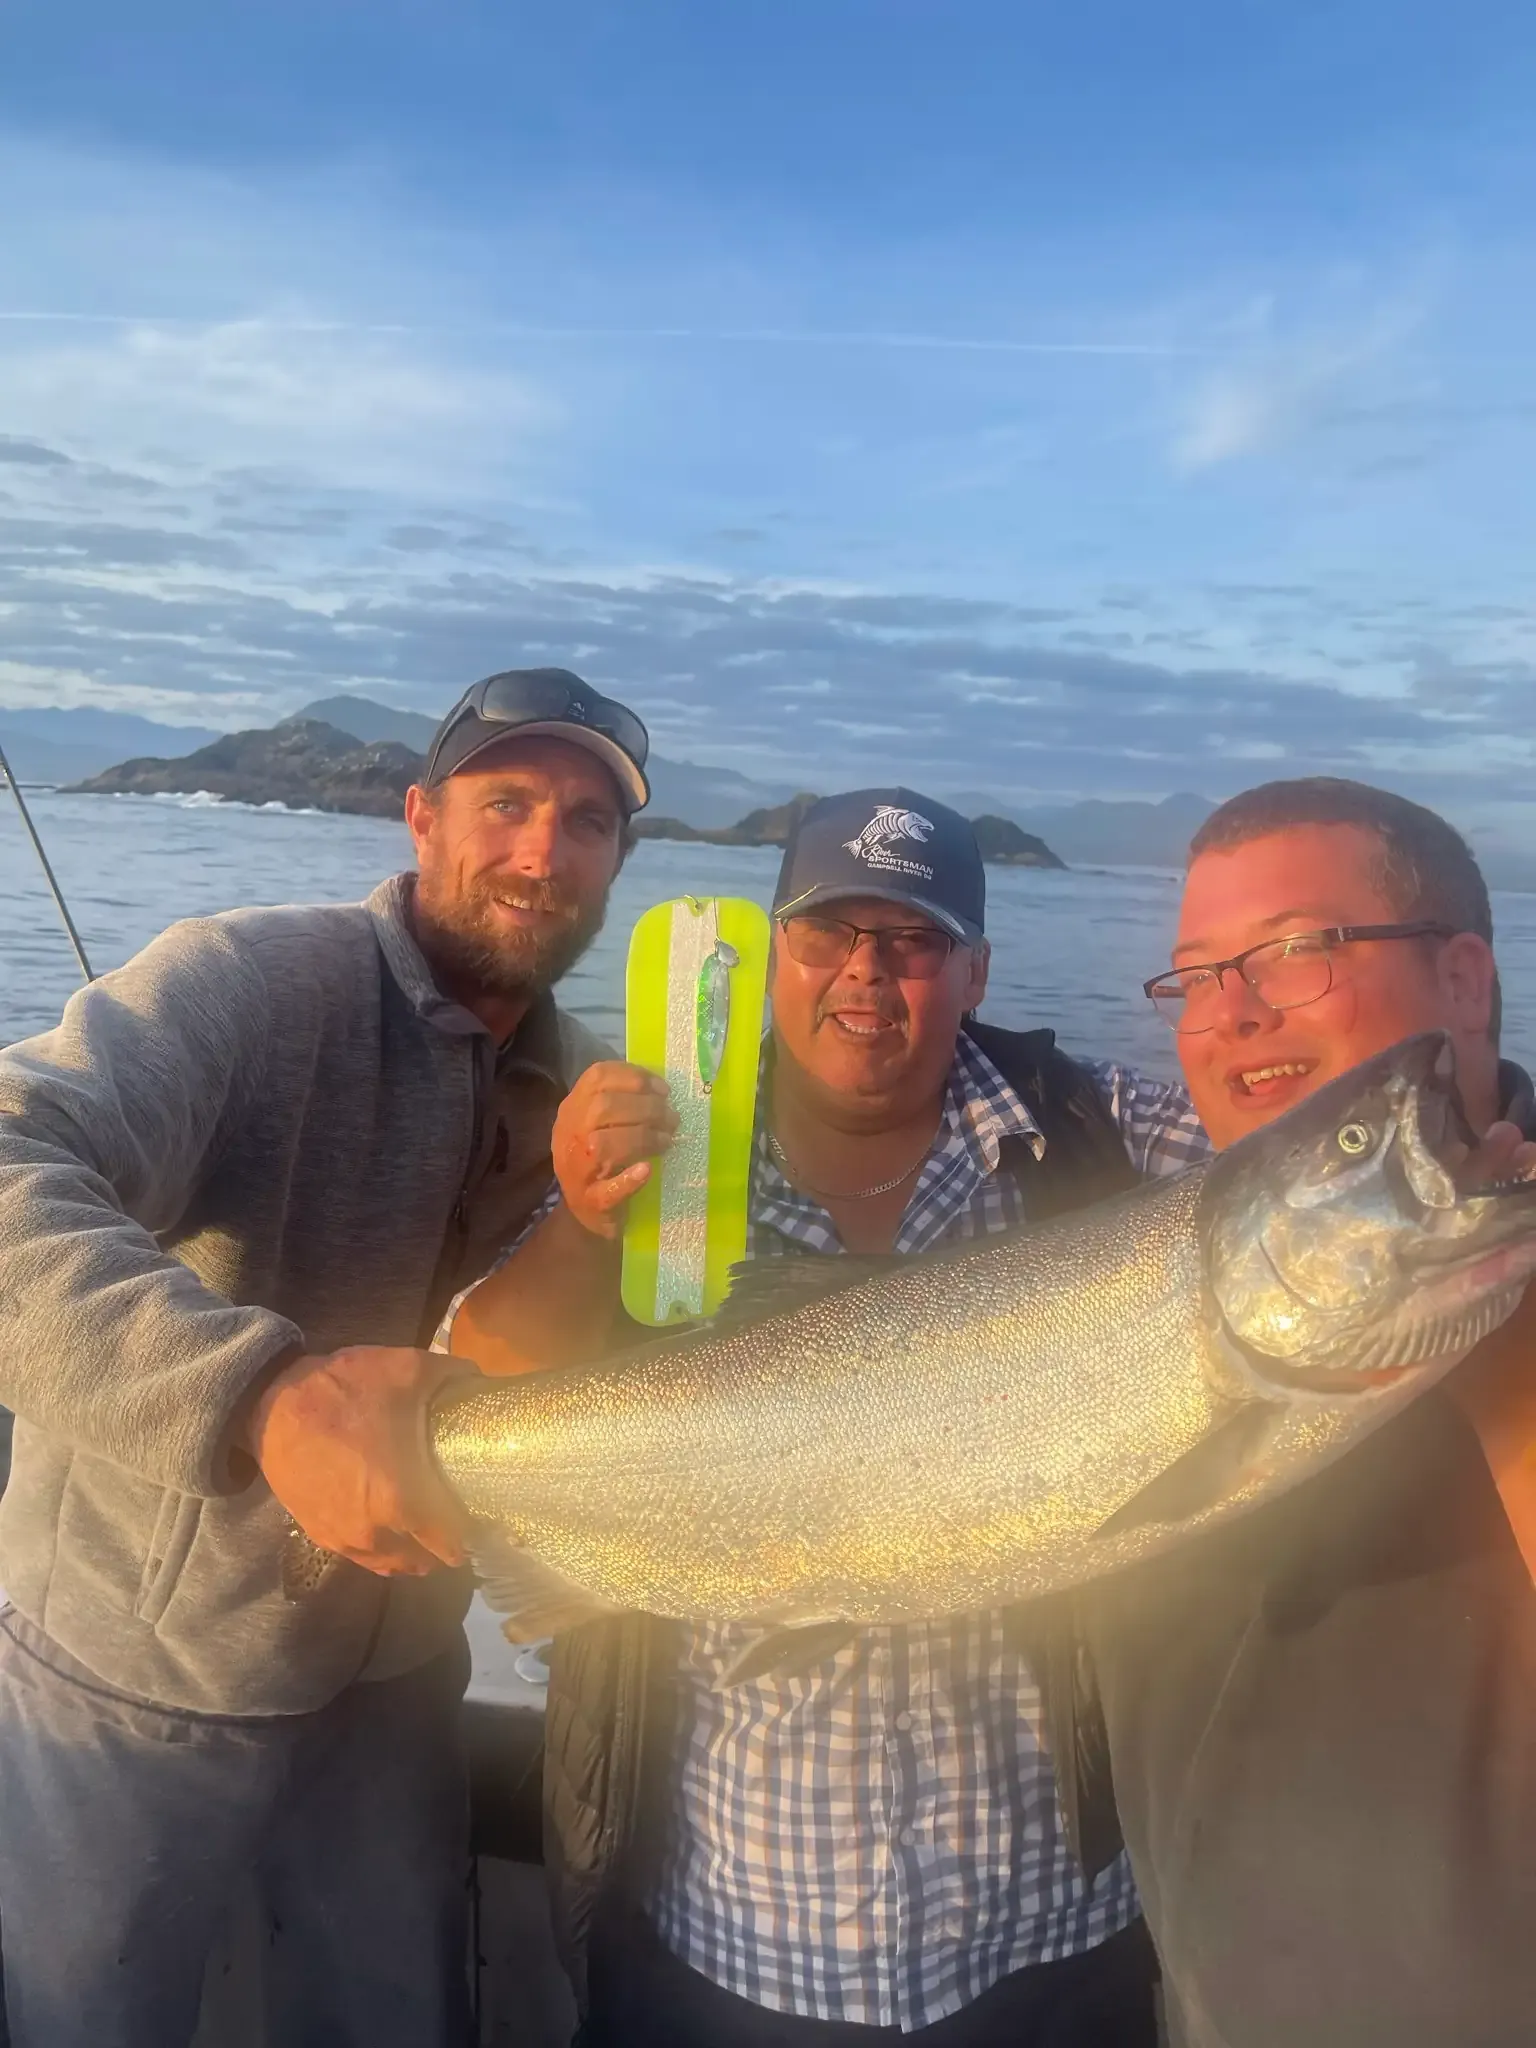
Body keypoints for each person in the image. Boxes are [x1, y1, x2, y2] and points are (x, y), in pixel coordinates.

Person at [450, 787, 1207, 2047]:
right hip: (723, 1929)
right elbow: (479, 1372)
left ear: (974, 969)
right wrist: (585, 1214)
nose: (868, 971)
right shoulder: (665, 1142)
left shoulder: (1097, 1131)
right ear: (772, 953)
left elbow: (1284, 1172)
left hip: (1046, 1933)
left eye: (910, 940)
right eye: (829, 932)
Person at [0, 666, 647, 2048]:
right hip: (136, 1673)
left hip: (399, 1678)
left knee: (398, 2018)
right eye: (508, 802)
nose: (545, 850)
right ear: (419, 817)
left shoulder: (590, 1083)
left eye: (588, 821)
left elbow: (565, 1358)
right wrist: (264, 1392)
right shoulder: (252, 978)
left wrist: (595, 1225)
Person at [1079, 776, 1536, 2048]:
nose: (1231, 1012)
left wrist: (1484, 1322)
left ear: (1462, 975)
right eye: (1194, 974)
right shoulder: (1167, 1260)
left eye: (1294, 951)